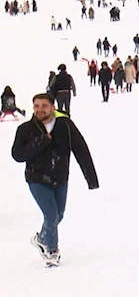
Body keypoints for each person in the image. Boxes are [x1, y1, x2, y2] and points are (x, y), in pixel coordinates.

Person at [12, 93, 99, 267]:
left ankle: (41, 238)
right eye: (36, 106)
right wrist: (41, 141)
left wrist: (91, 179)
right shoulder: (25, 129)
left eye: (44, 106)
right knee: (51, 215)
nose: (40, 110)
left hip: (60, 178)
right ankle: (52, 251)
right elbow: (18, 155)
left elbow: (81, 150)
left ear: (53, 107)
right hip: (36, 178)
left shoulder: (65, 126)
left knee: (58, 215)